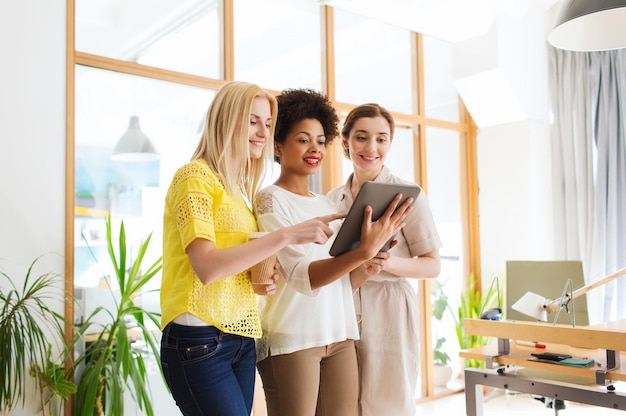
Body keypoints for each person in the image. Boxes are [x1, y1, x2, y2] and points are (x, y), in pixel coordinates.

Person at [159, 81, 345, 416]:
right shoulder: (193, 178)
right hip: (198, 337)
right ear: (226, 120)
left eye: (268, 123)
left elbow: (233, 264)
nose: (263, 133)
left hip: (241, 339)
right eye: (253, 121)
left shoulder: (237, 192)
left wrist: (259, 278)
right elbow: (208, 266)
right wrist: (287, 235)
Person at [253, 89, 413, 416]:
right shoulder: (269, 200)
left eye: (321, 140)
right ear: (278, 145)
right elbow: (303, 279)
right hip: (293, 340)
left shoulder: (326, 202)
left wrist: (365, 265)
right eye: (303, 140)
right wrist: (360, 252)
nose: (315, 149)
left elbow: (340, 281)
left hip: (339, 335)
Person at [327, 103, 442, 416]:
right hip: (344, 304)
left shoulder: (408, 194)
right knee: (346, 402)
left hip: (390, 306)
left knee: (388, 402)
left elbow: (432, 264)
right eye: (362, 137)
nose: (371, 148)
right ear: (345, 142)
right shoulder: (331, 200)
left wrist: (385, 262)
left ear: (390, 144)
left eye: (381, 139)